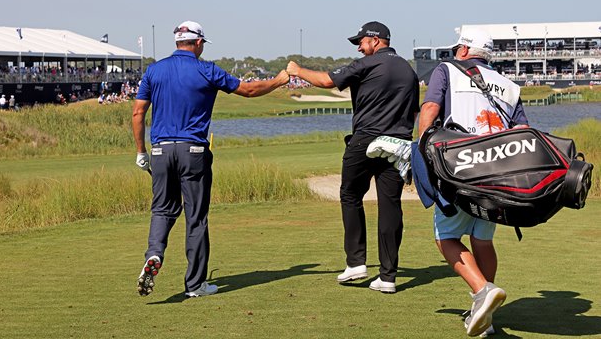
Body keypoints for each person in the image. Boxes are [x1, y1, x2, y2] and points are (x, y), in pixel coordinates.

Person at [132, 20, 289, 298]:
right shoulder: (207, 70)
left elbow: (138, 113)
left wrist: (141, 153)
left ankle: (154, 254)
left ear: (177, 42)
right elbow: (249, 90)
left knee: (162, 210)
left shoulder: (154, 71)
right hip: (193, 152)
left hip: (160, 151)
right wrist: (278, 80)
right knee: (196, 217)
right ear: (199, 43)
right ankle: (195, 285)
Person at [286, 21, 419, 293]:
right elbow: (413, 111)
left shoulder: (366, 64)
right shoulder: (408, 68)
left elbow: (326, 81)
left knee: (349, 195)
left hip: (366, 140)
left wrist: (296, 70)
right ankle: (388, 277)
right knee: (390, 205)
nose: (359, 47)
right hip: (399, 144)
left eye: (361, 41)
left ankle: (356, 262)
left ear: (376, 40)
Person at [418, 27, 529, 336]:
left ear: (465, 50)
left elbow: (429, 109)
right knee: (482, 238)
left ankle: (482, 291)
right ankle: (487, 316)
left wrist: (423, 152)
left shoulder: (447, 70)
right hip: (497, 176)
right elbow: (523, 133)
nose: (455, 52)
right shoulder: (509, 84)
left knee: (446, 238)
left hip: (460, 169)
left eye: (457, 46)